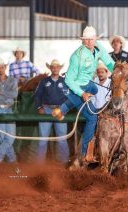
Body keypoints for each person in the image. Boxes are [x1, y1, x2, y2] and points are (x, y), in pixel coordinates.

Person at [52, 26, 115, 160]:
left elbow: (109, 62)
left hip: (86, 83)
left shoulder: (98, 48)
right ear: (82, 40)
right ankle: (85, 153)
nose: (88, 42)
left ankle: (62, 109)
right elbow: (69, 80)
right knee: (92, 118)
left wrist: (118, 71)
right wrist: (82, 94)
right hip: (73, 88)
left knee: (95, 89)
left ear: (95, 39)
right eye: (85, 40)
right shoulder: (77, 56)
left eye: (91, 39)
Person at [35, 59, 70, 164]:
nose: (55, 69)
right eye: (53, 67)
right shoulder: (44, 81)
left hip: (60, 110)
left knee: (62, 138)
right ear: (50, 68)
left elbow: (69, 97)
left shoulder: (65, 81)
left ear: (60, 68)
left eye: (57, 67)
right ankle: (39, 163)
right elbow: (37, 95)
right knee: (43, 139)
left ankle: (64, 162)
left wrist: (65, 108)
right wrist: (39, 107)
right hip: (46, 109)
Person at [0, 58, 18, 164]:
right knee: (4, 137)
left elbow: (15, 95)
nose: (0, 69)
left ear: (5, 67)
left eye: (2, 67)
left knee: (10, 137)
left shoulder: (13, 80)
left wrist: (1, 92)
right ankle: (12, 160)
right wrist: (6, 94)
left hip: (7, 109)